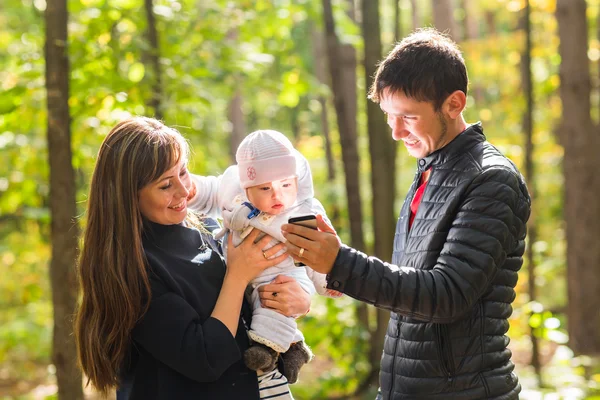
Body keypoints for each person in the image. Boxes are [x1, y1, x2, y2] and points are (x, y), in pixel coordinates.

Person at [281, 28, 531, 400]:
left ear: (454, 103)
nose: (396, 132)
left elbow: (447, 295)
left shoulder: (492, 179)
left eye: (408, 117)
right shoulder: (430, 169)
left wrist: (343, 263)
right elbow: (410, 290)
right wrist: (330, 268)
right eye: (388, 116)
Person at [74, 117, 311, 400]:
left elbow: (257, 296)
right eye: (165, 185)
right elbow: (206, 358)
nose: (184, 191)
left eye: (183, 173)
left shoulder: (208, 228)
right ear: (127, 195)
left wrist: (298, 299)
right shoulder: (131, 268)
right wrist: (238, 274)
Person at [187, 129, 341, 384]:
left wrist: (330, 281)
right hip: (246, 274)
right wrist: (194, 189)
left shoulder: (302, 212)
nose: (277, 195)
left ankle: (267, 352)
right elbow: (213, 191)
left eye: (286, 185)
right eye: (265, 188)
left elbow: (319, 251)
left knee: (273, 302)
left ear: (296, 180)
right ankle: (293, 348)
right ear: (247, 189)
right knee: (254, 304)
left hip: (288, 274)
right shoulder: (234, 193)